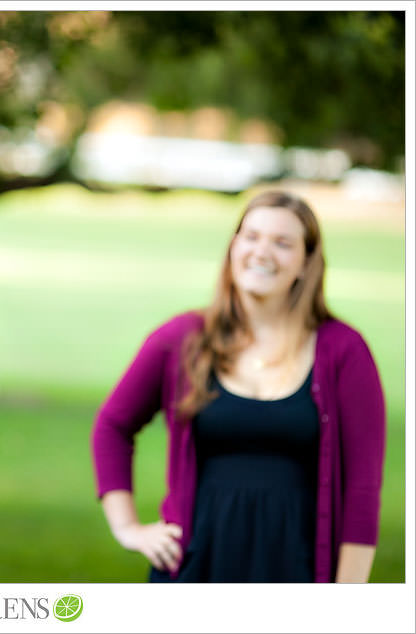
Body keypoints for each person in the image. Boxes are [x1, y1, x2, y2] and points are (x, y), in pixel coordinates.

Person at [91, 190, 385, 582]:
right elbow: (112, 425)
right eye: (251, 236)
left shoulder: (344, 351)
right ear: (233, 248)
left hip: (296, 573)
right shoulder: (181, 338)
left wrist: (346, 599)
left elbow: (362, 488)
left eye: (282, 243)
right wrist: (127, 527)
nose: (262, 252)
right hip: (194, 570)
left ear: (306, 262)